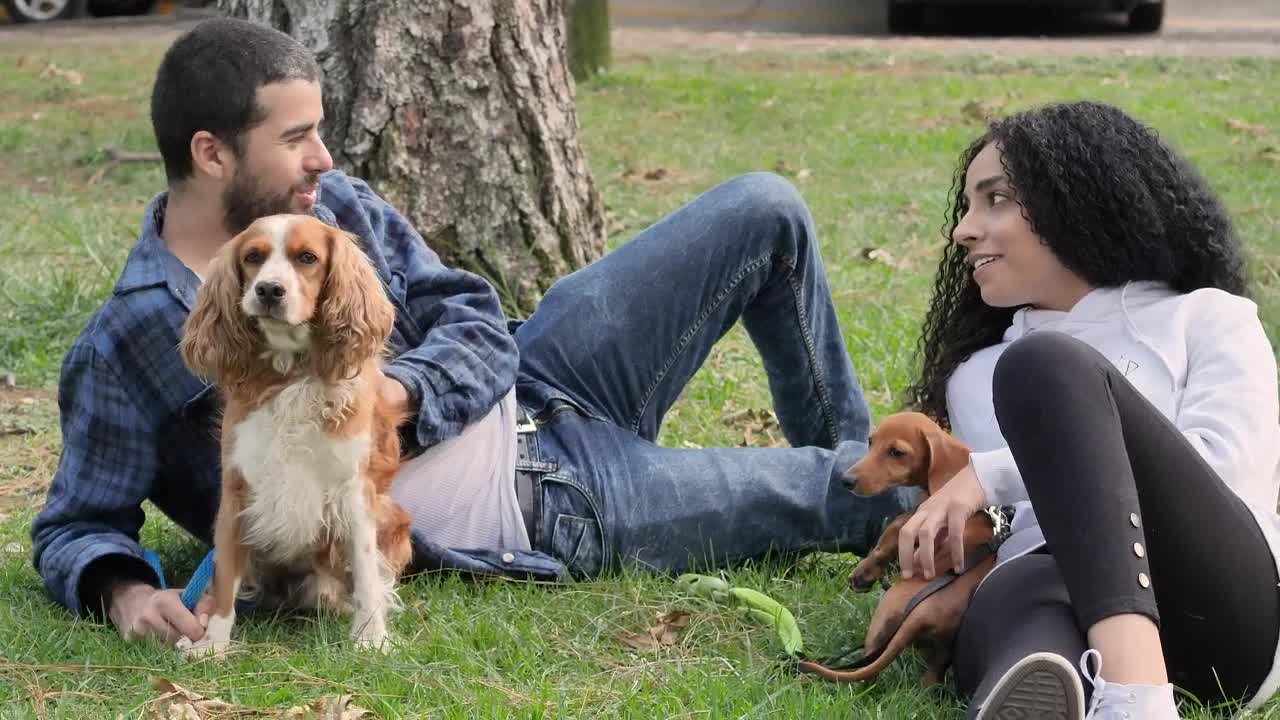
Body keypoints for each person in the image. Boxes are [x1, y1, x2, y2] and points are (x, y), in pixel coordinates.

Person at [29, 17, 909, 647]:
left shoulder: (331, 212)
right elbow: (75, 523)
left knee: (765, 207)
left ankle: (858, 481)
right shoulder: (128, 339)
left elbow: (476, 320)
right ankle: (903, 502)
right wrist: (124, 594)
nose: (325, 160)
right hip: (549, 501)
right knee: (846, 492)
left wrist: (400, 391)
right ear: (212, 154)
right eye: (297, 138)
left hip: (544, 375)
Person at [895, 99, 1280, 719]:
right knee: (1020, 593)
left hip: (1217, 614)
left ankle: (1137, 701)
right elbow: (1021, 532)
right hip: (1056, 600)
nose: (964, 229)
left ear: (1077, 200)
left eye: (996, 199)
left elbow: (1228, 476)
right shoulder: (975, 376)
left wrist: (990, 471)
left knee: (1046, 366)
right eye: (967, 206)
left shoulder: (1208, 318)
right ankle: (1043, 686)